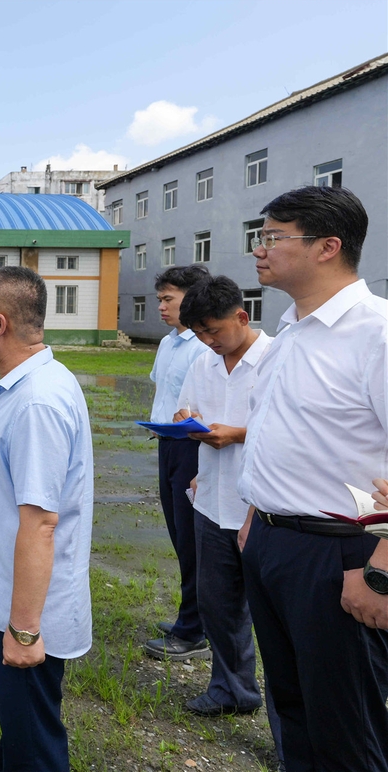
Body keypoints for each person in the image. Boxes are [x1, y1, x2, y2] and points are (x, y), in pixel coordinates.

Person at [236, 186, 388, 770]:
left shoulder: (373, 333)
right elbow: (278, 438)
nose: (259, 249)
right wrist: (256, 519)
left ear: (328, 247)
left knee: (345, 728)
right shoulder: (290, 332)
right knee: (292, 709)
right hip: (272, 543)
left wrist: (379, 574)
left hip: (340, 554)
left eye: (274, 237)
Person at [0, 266, 93, 772]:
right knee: (20, 716)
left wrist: (25, 629)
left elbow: (40, 523)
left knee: (35, 731)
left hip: (28, 606)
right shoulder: (29, 386)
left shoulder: (36, 402)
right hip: (10, 590)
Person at [172, 275, 284, 767]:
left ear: (242, 316)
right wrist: (185, 421)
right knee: (218, 605)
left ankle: (292, 739)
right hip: (212, 499)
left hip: (268, 510)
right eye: (200, 334)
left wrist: (235, 434)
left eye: (215, 330)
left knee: (278, 624)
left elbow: (287, 431)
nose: (210, 342)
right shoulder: (204, 362)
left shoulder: (279, 359)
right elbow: (191, 410)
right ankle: (233, 690)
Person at [143, 264, 212, 661]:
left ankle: (194, 630)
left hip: (194, 449)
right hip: (167, 445)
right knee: (178, 534)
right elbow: (164, 394)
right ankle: (190, 617)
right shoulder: (170, 343)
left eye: (168, 299)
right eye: (159, 300)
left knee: (193, 538)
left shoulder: (206, 346)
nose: (162, 307)